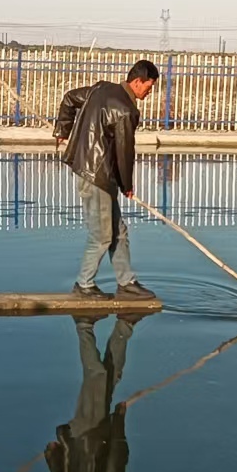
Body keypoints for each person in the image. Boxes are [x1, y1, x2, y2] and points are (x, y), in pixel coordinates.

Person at [53, 61, 159, 299]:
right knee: (101, 235)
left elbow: (69, 98)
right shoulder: (127, 111)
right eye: (149, 86)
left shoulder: (100, 88)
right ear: (137, 81)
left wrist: (63, 130)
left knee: (119, 231)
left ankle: (126, 282)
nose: (150, 91)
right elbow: (124, 152)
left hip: (96, 172)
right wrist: (127, 185)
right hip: (96, 175)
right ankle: (84, 285)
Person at [45, 313, 147, 472]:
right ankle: (124, 324)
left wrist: (119, 418)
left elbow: (117, 454)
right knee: (112, 375)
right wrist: (53, 456)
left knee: (97, 376)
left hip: (88, 433)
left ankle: (84, 325)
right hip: (96, 431)